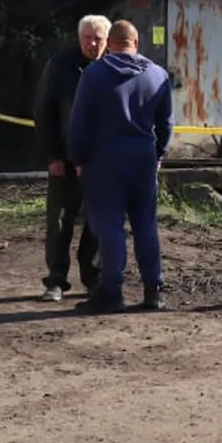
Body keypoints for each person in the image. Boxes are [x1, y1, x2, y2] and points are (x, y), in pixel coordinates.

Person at [66, 20, 173, 313]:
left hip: (104, 161)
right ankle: (153, 290)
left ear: (109, 44)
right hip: (143, 159)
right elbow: (166, 123)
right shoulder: (158, 75)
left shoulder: (94, 74)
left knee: (110, 226)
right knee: (146, 225)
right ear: (136, 43)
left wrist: (78, 158)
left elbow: (79, 122)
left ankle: (112, 291)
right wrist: (159, 153)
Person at [34, 15, 109, 302]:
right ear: (79, 38)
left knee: (98, 222)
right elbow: (44, 111)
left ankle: (93, 277)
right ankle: (56, 280)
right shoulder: (60, 66)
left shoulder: (113, 66)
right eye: (87, 37)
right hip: (64, 160)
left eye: (98, 38)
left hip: (100, 162)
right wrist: (52, 154)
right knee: (60, 222)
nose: (92, 43)